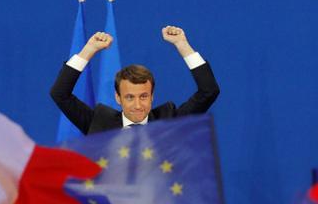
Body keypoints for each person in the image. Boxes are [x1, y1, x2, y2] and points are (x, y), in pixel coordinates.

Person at [50, 25, 219, 135]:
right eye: (130, 97)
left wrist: (182, 45)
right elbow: (60, 94)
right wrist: (89, 50)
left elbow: (209, 91)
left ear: (152, 96)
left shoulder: (169, 122)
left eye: (143, 96)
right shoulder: (100, 123)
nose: (138, 105)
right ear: (118, 97)